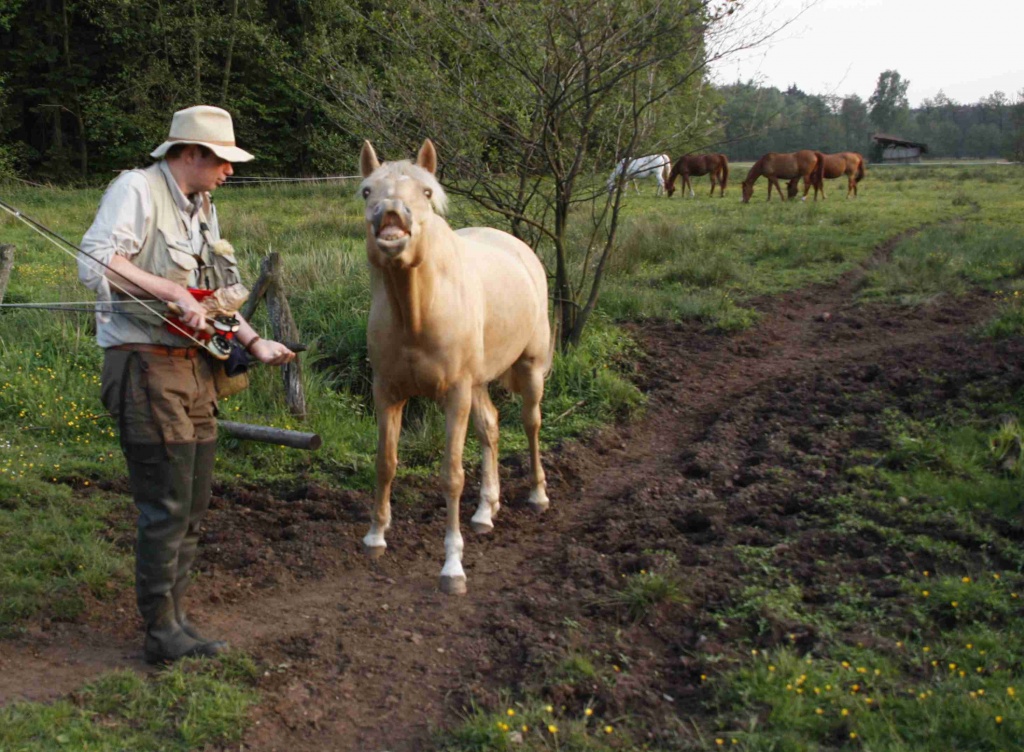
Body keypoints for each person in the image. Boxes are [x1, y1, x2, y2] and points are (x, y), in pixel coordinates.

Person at [78, 105, 295, 664]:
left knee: (194, 504)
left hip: (197, 369)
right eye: (223, 160)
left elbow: (215, 294)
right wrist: (170, 293)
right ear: (191, 154)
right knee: (167, 505)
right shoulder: (137, 190)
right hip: (145, 366)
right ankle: (160, 631)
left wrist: (253, 342)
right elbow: (96, 261)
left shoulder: (203, 208)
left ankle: (176, 618)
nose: (229, 172)